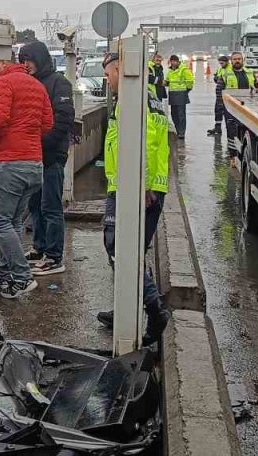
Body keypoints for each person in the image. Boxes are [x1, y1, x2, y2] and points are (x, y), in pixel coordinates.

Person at [98, 53, 170, 344]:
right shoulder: (145, 96)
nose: (106, 79)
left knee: (119, 244)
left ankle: (153, 308)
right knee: (129, 249)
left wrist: (142, 184)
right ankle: (127, 309)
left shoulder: (134, 99)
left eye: (108, 74)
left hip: (135, 187)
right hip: (132, 184)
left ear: (120, 69)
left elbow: (147, 143)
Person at [0, 16, 52, 298]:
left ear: (0, 62)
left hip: (10, 164)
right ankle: (5, 273)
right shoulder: (36, 85)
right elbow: (47, 124)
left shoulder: (3, 84)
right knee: (12, 223)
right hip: (34, 165)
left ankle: (22, 277)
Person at [17, 41, 74, 277]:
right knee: (35, 205)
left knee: (51, 207)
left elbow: (64, 119)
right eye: (22, 62)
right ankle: (39, 247)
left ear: (39, 59)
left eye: (28, 61)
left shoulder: (59, 83)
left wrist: (43, 144)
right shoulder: (32, 83)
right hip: (34, 157)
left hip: (51, 156)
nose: (25, 66)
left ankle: (54, 255)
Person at [222, 51, 258, 157]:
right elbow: (219, 92)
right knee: (232, 131)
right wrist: (221, 108)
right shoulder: (225, 74)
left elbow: (257, 89)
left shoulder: (250, 72)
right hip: (231, 108)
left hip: (248, 106)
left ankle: (243, 153)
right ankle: (233, 155)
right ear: (231, 61)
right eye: (235, 59)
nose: (237, 61)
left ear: (243, 60)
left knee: (247, 130)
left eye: (239, 59)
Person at [164, 54, 194, 139]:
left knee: (181, 115)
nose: (173, 63)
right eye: (172, 61)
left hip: (181, 94)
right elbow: (168, 81)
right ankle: (177, 130)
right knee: (174, 114)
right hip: (173, 95)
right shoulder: (170, 71)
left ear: (178, 62)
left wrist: (186, 90)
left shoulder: (184, 69)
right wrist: (164, 82)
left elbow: (190, 81)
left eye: (175, 61)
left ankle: (181, 132)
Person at [207, 55, 232, 137]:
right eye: (220, 63)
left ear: (227, 62)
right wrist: (216, 78)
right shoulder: (220, 68)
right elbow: (216, 77)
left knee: (227, 113)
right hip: (219, 94)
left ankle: (230, 130)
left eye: (222, 63)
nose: (221, 65)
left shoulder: (231, 69)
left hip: (227, 94)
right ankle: (217, 128)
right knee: (218, 111)